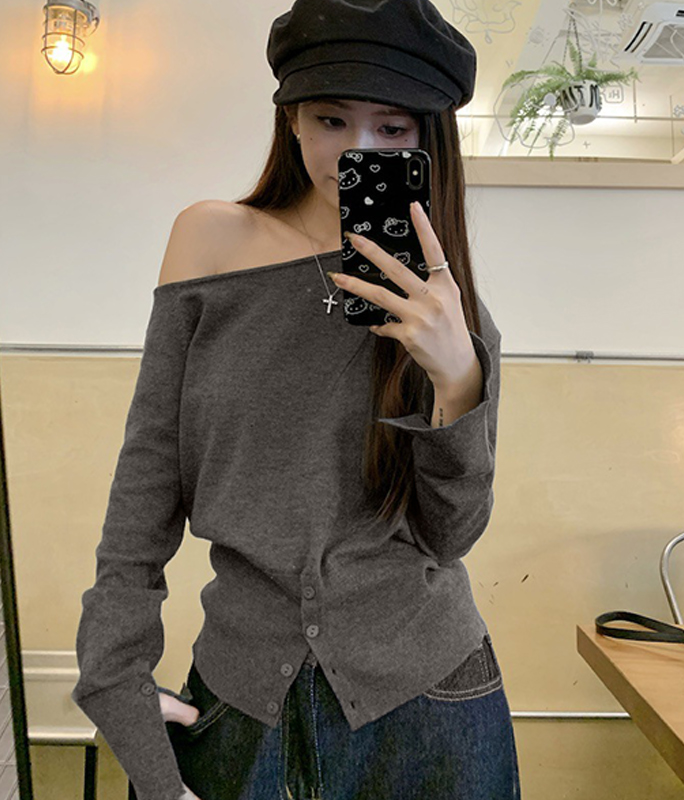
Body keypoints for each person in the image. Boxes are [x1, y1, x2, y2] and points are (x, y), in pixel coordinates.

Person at [71, 1, 520, 798]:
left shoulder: (451, 311)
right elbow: (146, 480)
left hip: (430, 702)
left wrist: (459, 377)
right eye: (331, 119)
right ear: (291, 119)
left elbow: (449, 536)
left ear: (428, 141)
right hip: (237, 700)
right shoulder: (209, 241)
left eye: (391, 129)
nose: (356, 151)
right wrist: (114, 678)